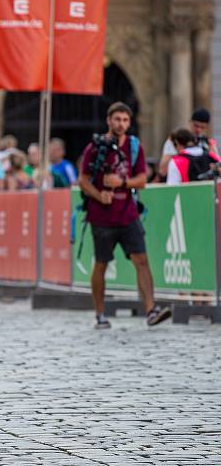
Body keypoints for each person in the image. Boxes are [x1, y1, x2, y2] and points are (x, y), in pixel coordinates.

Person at [78, 102, 172, 329]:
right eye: (117, 119)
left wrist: (122, 182)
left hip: (128, 213)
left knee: (141, 260)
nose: (121, 124)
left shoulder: (134, 147)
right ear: (109, 120)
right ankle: (100, 314)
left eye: (125, 120)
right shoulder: (95, 147)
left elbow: (142, 179)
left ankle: (151, 310)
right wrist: (99, 196)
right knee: (101, 263)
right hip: (101, 216)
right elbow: (82, 179)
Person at [159, 108, 218, 178]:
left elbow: (216, 167)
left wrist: (212, 155)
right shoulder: (177, 139)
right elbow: (163, 170)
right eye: (196, 126)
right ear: (190, 122)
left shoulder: (207, 143)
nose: (198, 130)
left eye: (202, 127)